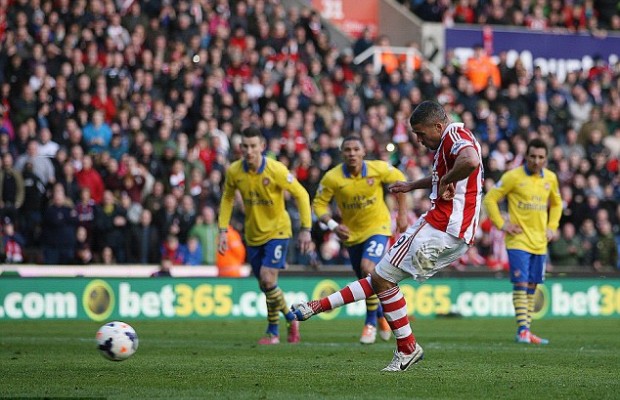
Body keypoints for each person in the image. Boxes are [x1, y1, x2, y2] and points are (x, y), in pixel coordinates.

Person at [291, 101, 483, 371]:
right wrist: (412, 185)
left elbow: (470, 161)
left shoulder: (454, 136)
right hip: (452, 229)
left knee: (381, 277)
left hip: (443, 226)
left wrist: (448, 179)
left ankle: (404, 346)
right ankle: (319, 308)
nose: (419, 140)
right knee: (382, 279)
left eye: (421, 133)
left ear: (438, 126)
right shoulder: (447, 143)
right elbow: (445, 176)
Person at [218, 126, 313, 345]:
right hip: (253, 234)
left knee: (268, 278)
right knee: (265, 284)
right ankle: (290, 318)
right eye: (245, 146)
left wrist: (306, 230)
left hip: (278, 230)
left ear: (262, 146)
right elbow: (227, 198)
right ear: (240, 148)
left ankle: (273, 332)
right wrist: (223, 230)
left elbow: (301, 194)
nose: (249, 150)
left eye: (253, 146)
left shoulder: (276, 169)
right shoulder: (234, 171)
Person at [312, 135, 408, 344]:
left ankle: (370, 323)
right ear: (342, 153)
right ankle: (382, 315)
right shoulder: (332, 178)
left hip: (378, 227)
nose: (352, 153)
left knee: (368, 269)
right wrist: (333, 226)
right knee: (366, 281)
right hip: (351, 234)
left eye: (356, 149)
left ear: (364, 151)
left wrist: (402, 215)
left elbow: (400, 180)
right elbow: (318, 205)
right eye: (348, 150)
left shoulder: (378, 168)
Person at [483, 138, 562, 345]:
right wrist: (502, 224)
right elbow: (490, 199)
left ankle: (525, 330)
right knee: (520, 283)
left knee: (532, 286)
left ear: (546, 159)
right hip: (517, 240)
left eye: (541, 157)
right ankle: (523, 330)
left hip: (539, 242)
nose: (537, 161)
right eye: (533, 156)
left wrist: (552, 227)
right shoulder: (513, 177)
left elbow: (557, 203)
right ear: (526, 156)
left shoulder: (551, 179)